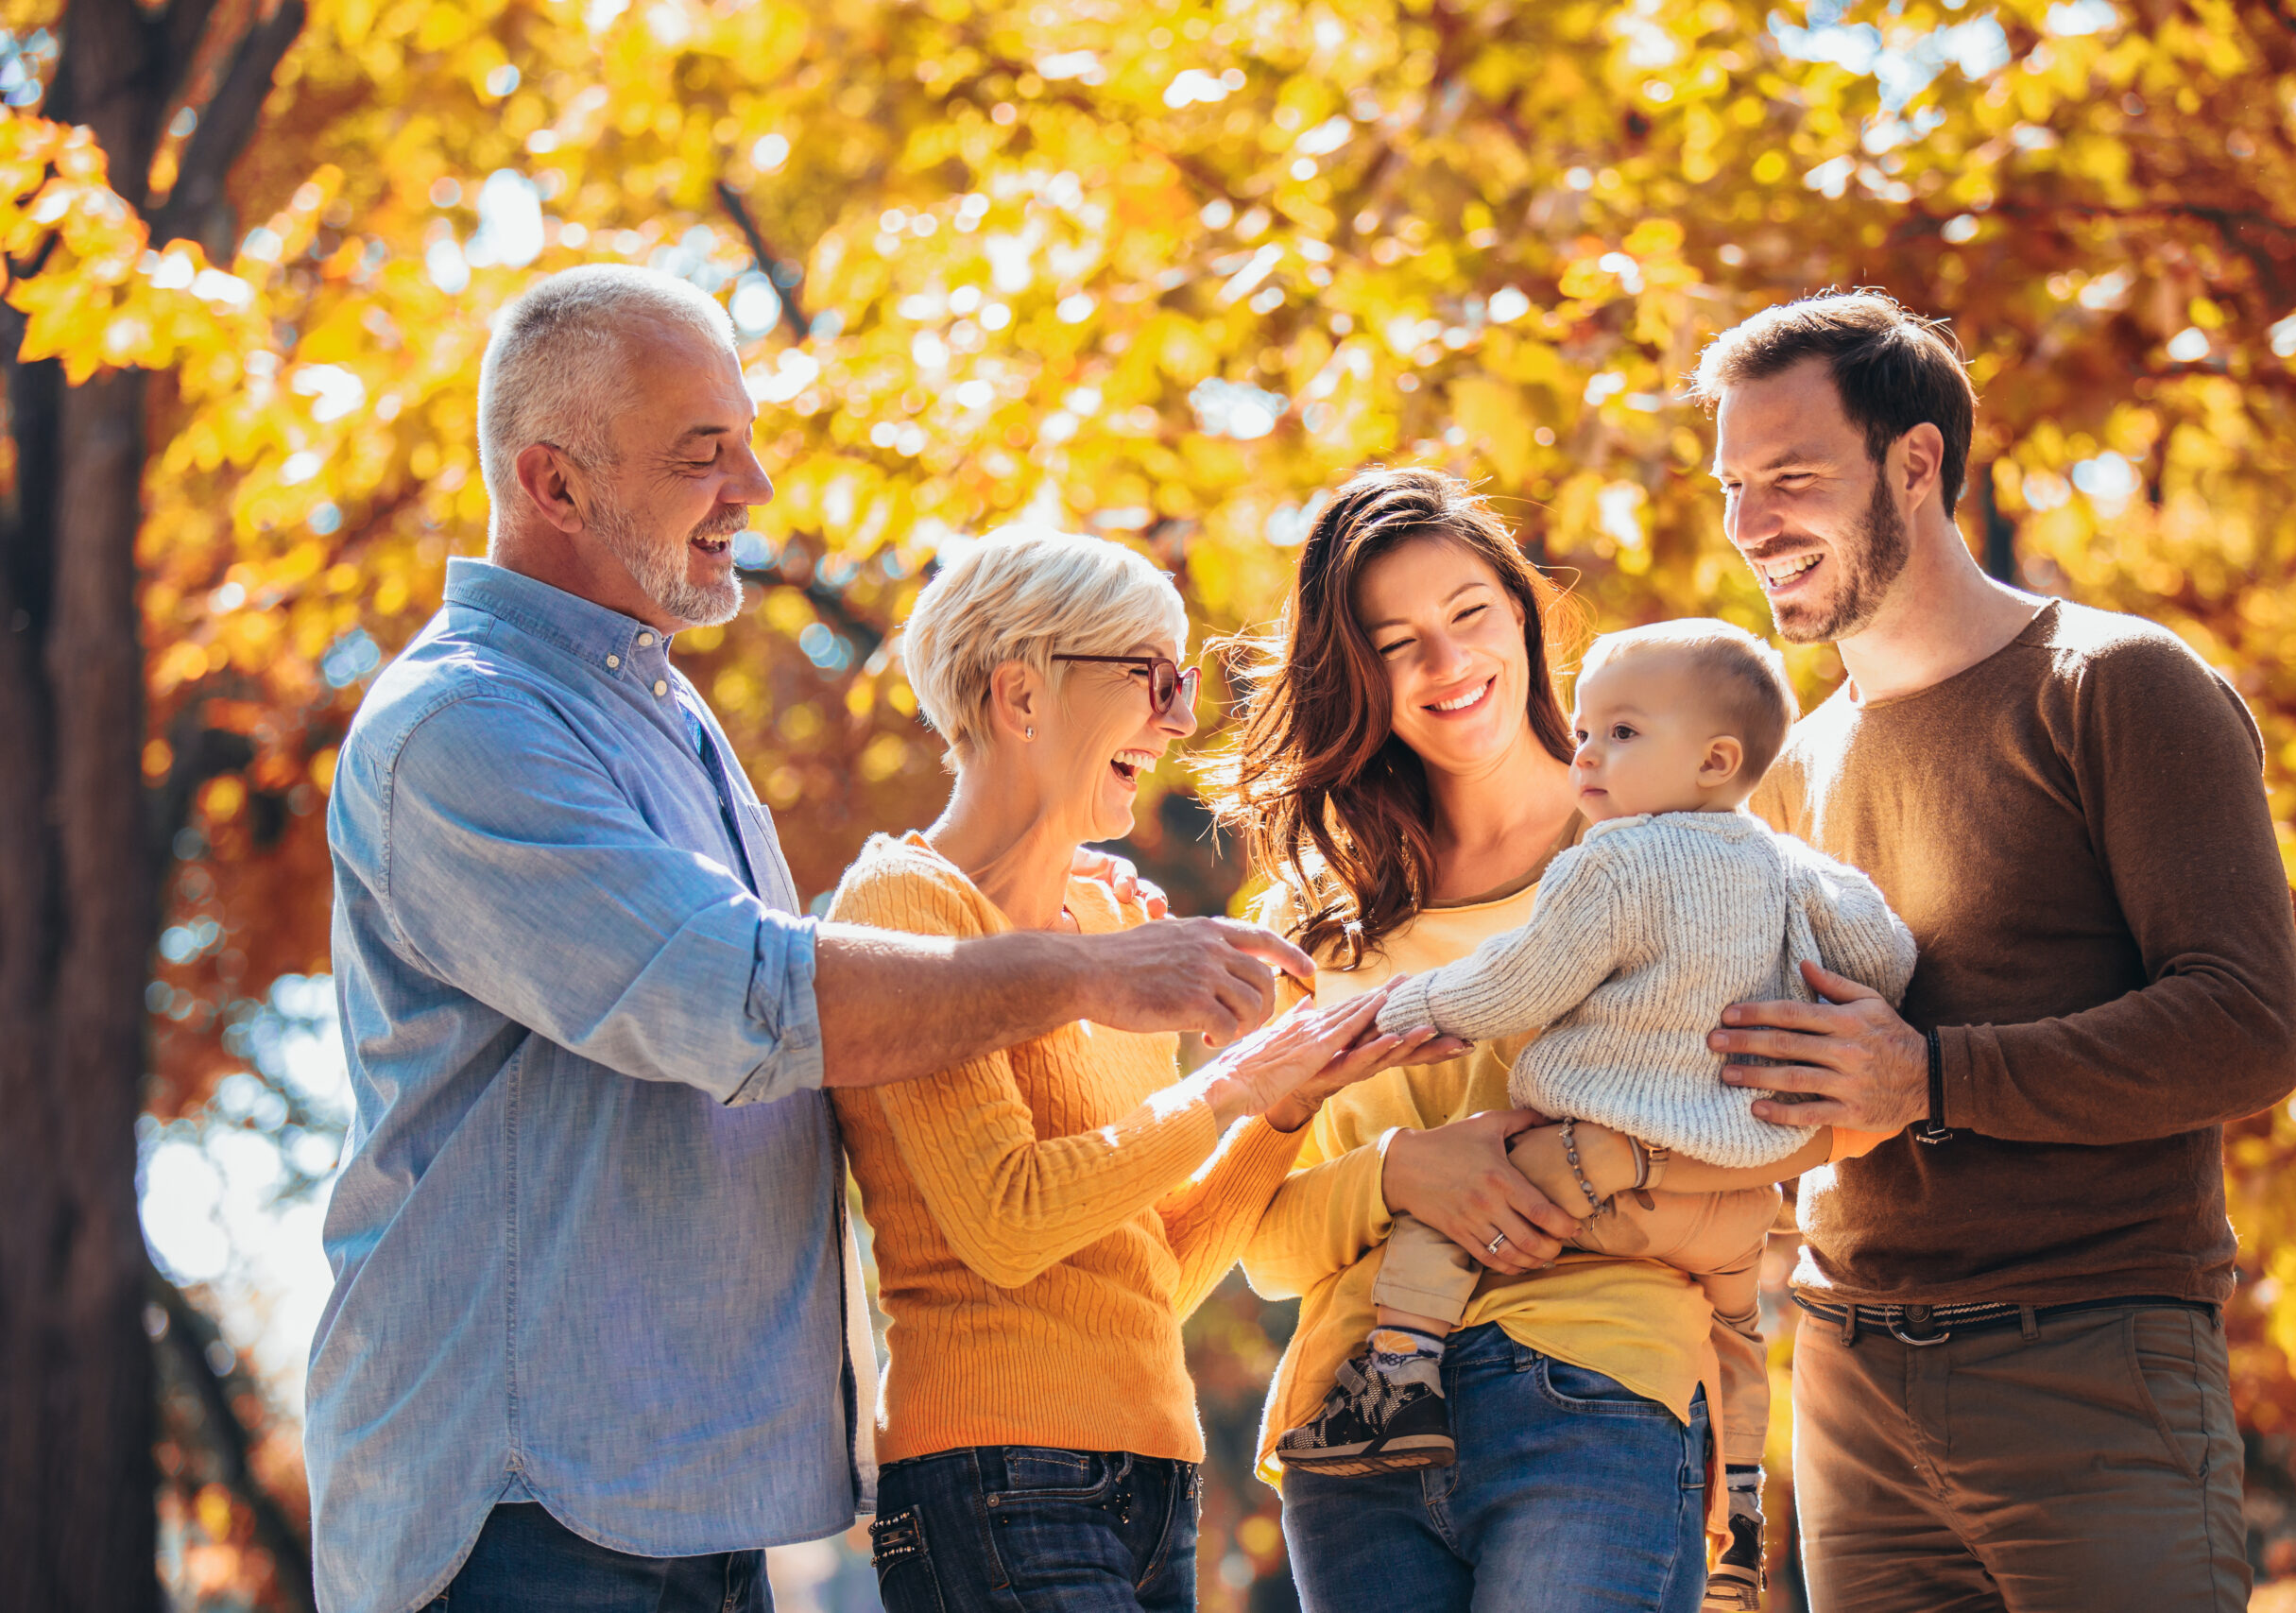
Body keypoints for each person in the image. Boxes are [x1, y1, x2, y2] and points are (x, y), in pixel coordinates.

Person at [306, 266, 1315, 1613]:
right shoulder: (463, 729)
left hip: (697, 1502)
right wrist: (1091, 976)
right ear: (553, 485)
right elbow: (748, 999)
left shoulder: (672, 726)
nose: (754, 487)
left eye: (746, 439)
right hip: (524, 1504)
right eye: (700, 453)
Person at [1690, 291, 2296, 1612]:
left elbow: (2245, 1022)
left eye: (1791, 478)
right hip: (1848, 1381)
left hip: (2091, 1365)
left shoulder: (2116, 683)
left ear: (1916, 463)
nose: (1750, 527)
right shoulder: (1797, 766)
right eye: (1734, 485)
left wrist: (1931, 1079)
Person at [1208, 468, 1816, 1613]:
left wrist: (1584, 1164)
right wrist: (1401, 1176)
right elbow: (1266, 1248)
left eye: (1469, 614)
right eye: (1395, 644)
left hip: (1598, 1384)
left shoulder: (1690, 837)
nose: (1446, 665)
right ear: (1358, 680)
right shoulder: (1307, 924)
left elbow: (1819, 1114)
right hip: (1356, 1435)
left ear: (1525, 616)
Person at [826, 528, 1461, 1613]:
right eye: (1151, 678)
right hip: (992, 1474)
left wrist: (1286, 1109)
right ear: (1021, 695)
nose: (1177, 718)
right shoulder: (905, 909)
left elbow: (1152, 1266)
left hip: (1152, 1478)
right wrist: (1225, 1089)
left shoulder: (1113, 918)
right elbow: (1008, 1222)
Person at [1273, 618, 1916, 1610]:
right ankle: (1740, 1519)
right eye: (1587, 731)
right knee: (1738, 1327)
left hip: (1581, 1240)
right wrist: (1833, 1001)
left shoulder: (1606, 866)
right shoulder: (1793, 869)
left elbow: (1516, 986)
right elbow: (1885, 955)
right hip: (1714, 1181)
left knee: (1445, 1229)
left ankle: (1399, 1377)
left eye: (1619, 734)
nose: (1588, 754)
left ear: (1714, 759)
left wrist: (1402, 1013)